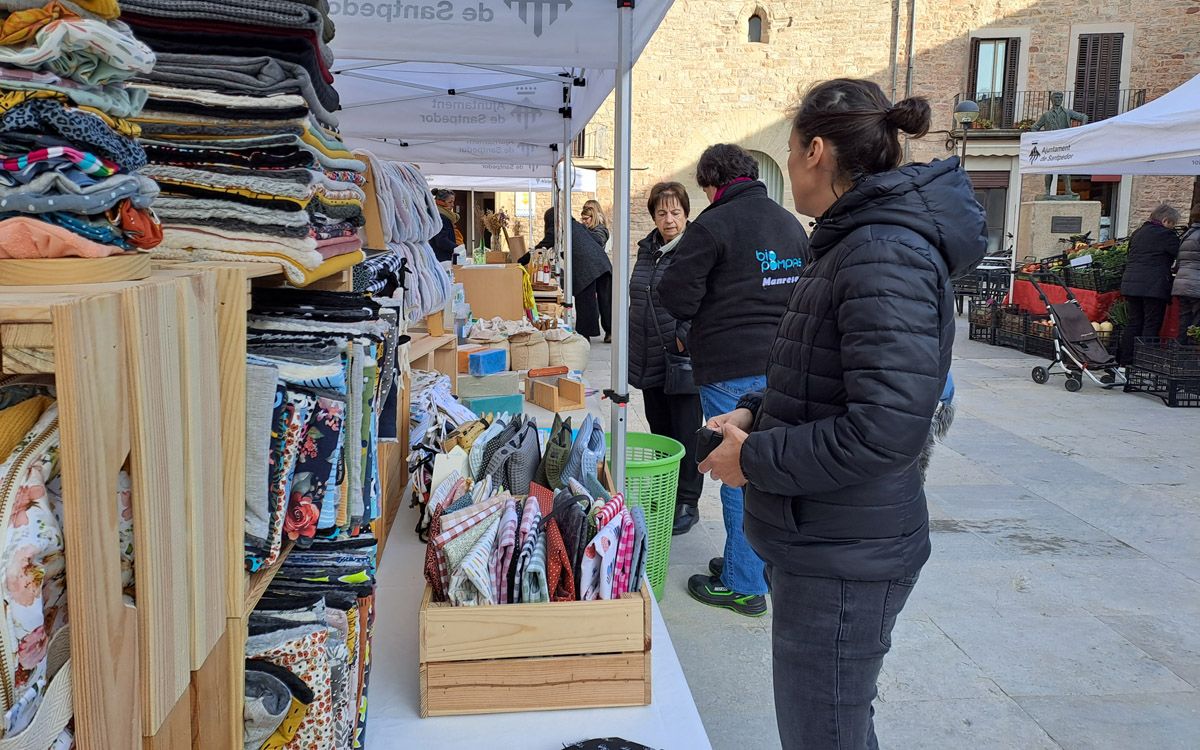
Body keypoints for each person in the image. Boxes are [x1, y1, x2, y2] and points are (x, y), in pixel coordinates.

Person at [697, 78, 986, 748]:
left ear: (816, 150)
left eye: (793, 150)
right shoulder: (854, 242)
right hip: (827, 539)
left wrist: (755, 459)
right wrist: (754, 413)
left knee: (824, 732)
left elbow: (883, 427)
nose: (792, 166)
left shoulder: (883, 250)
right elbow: (824, 380)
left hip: (846, 553)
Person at [657, 143, 809, 616]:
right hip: (784, 362)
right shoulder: (789, 223)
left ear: (710, 184)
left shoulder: (713, 225)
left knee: (737, 472)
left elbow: (675, 294)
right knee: (768, 466)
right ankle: (754, 564)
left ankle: (742, 584)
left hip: (729, 365)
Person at [628, 182, 704, 536]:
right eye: (662, 212)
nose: (669, 219)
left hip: (680, 358)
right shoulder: (648, 250)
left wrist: (683, 336)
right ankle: (666, 492)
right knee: (660, 431)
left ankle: (688, 501)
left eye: (675, 212)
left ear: (686, 213)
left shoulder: (694, 249)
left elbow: (705, 297)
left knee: (686, 432)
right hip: (648, 355)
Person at [536, 208, 613, 340]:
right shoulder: (577, 226)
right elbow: (591, 240)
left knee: (585, 300)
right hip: (602, 263)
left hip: (586, 267)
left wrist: (520, 260)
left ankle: (585, 335)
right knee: (606, 301)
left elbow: (544, 245)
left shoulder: (557, 229)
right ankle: (610, 331)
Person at [1119, 204, 1181, 363]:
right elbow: (1179, 255)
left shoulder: (1137, 233)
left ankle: (1125, 361)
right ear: (1166, 220)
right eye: (1173, 224)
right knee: (1151, 325)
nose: (1172, 227)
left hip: (1131, 284)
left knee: (1134, 323)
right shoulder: (1167, 235)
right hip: (1154, 286)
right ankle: (1144, 362)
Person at [580, 200, 614, 343]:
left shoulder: (600, 229)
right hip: (590, 268)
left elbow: (597, 241)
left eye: (588, 211)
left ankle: (610, 330)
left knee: (605, 302)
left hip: (601, 269)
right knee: (591, 301)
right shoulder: (591, 229)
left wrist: (582, 232)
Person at [1171, 203, 1200, 344]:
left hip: (1182, 284)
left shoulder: (1187, 234)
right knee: (1196, 323)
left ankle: (1181, 354)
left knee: (1184, 321)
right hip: (1196, 285)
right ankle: (1191, 357)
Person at [430, 189, 460, 263]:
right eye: (450, 202)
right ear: (440, 202)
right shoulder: (440, 217)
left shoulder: (443, 215)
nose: (453, 205)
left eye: (453, 202)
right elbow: (441, 240)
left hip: (442, 256)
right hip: (442, 258)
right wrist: (457, 248)